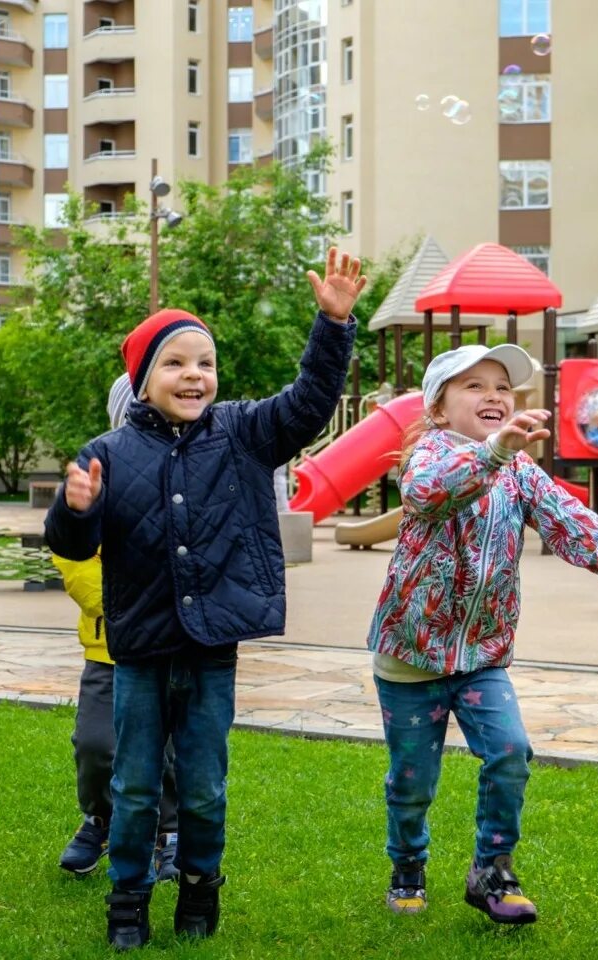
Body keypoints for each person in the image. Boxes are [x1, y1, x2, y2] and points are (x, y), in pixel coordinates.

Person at [45, 248, 365, 950]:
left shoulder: (247, 433)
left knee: (203, 789)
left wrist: (333, 324)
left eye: (204, 363)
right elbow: (70, 545)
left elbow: (310, 399)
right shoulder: (107, 450)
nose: (194, 375)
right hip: (137, 652)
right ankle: (127, 900)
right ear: (141, 378)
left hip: (212, 650)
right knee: (131, 788)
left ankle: (199, 887)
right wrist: (74, 509)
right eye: (175, 363)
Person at [367, 343, 598, 925]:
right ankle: (408, 864)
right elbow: (428, 494)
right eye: (475, 387)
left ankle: (492, 869)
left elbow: (570, 521)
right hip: (411, 655)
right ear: (438, 408)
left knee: (510, 750)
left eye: (503, 388)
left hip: (482, 656)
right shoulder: (428, 456)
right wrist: (491, 451)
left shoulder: (518, 470)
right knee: (413, 780)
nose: (494, 397)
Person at [53, 372, 181, 881]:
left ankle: (166, 832)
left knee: (169, 751)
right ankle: (101, 817)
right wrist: (128, 599)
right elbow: (75, 559)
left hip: (173, 647)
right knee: (96, 744)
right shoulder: (96, 481)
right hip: (112, 650)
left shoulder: (183, 482)